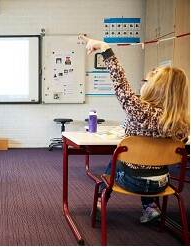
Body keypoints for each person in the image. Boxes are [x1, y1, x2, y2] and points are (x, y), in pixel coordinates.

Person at [81, 35, 189, 223]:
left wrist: (105, 47)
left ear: (155, 89)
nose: (143, 84)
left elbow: (120, 83)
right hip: (163, 182)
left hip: (132, 181)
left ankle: (100, 200)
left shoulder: (141, 110)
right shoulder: (182, 124)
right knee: (149, 162)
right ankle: (150, 207)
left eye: (146, 82)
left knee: (116, 160)